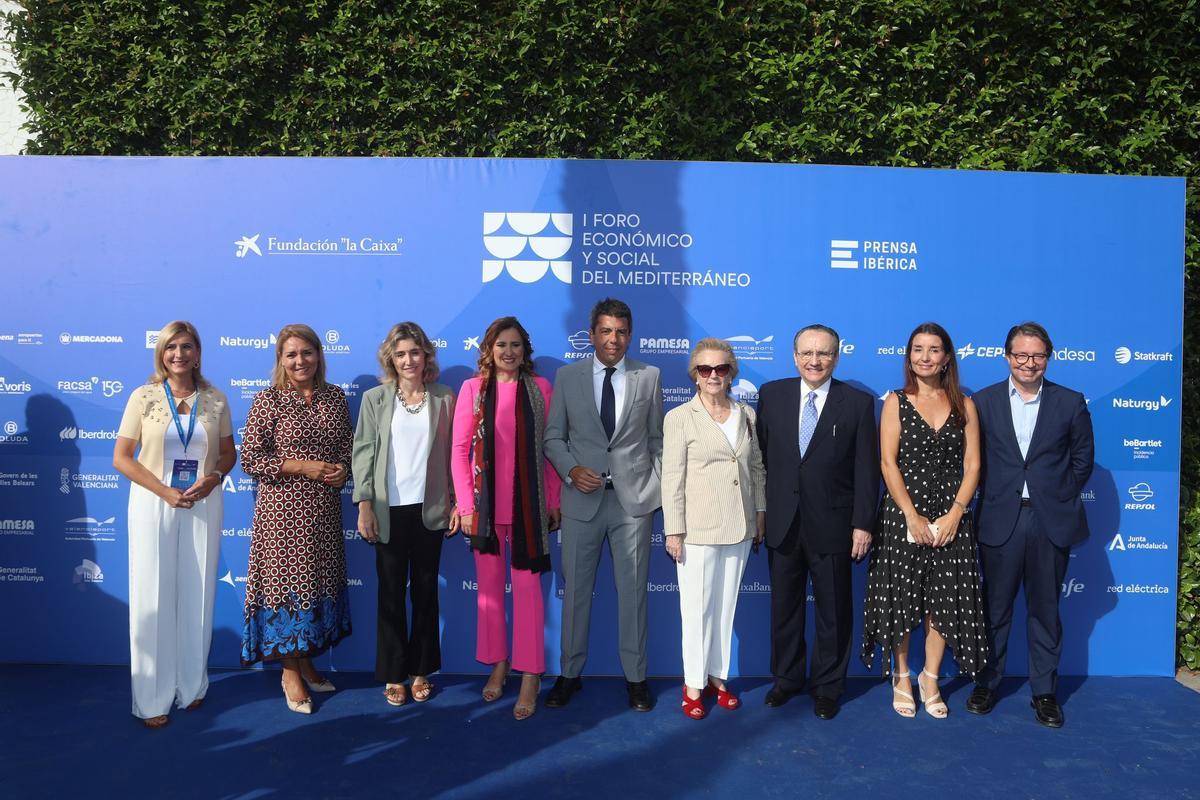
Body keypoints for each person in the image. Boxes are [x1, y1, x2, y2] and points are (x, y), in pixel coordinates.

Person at [966, 322, 1093, 728]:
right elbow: (973, 462)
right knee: (994, 608)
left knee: (1045, 610)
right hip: (999, 518)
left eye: (1037, 356)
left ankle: (1044, 692)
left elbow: (1082, 461)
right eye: (1021, 355)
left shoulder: (1070, 402)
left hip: (1048, 520)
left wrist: (1052, 496)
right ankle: (986, 682)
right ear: (1007, 357)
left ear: (1047, 358)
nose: (1029, 363)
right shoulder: (982, 402)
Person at [860, 323, 988, 718]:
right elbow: (887, 463)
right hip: (903, 517)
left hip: (953, 518)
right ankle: (901, 676)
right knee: (900, 598)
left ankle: (929, 678)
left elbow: (973, 465)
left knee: (943, 600)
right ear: (909, 356)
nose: (925, 357)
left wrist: (955, 513)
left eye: (934, 350)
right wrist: (911, 516)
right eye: (918, 349)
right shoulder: (897, 401)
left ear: (947, 357)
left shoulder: (966, 405)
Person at [544, 297, 664, 712]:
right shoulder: (567, 376)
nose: (614, 339)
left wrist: (656, 485)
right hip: (581, 502)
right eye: (606, 331)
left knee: (633, 596)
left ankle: (636, 679)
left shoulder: (650, 376)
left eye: (622, 332)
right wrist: (572, 470)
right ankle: (569, 675)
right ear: (592, 333)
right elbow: (553, 438)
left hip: (633, 505)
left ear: (630, 335)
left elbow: (656, 441)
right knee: (576, 593)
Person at [114, 320, 236, 728]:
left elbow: (227, 454)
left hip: (203, 502)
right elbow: (123, 458)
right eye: (171, 348)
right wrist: (164, 491)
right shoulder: (144, 397)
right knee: (153, 595)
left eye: (186, 347)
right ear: (161, 354)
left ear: (198, 353)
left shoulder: (216, 399)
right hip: (153, 503)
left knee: (198, 592)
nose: (179, 354)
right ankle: (151, 698)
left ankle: (192, 686)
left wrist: (213, 478)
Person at [756, 323, 878, 720]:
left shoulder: (858, 403)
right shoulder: (771, 395)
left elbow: (866, 471)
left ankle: (828, 687)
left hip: (835, 526)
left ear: (836, 357)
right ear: (794, 357)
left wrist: (863, 523)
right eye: (807, 353)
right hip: (783, 523)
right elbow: (762, 460)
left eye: (823, 353)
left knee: (834, 611)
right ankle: (786, 680)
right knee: (784, 609)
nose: (815, 360)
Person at [451, 316, 561, 720]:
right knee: (489, 594)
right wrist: (465, 506)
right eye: (502, 345)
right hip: (483, 511)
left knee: (530, 595)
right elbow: (460, 450)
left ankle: (530, 672)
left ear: (524, 350)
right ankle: (498, 663)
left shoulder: (541, 389)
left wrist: (553, 499)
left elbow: (549, 451)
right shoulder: (472, 390)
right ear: (489, 349)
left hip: (528, 510)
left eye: (515, 345)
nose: (509, 352)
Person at [240, 323, 353, 714]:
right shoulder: (268, 400)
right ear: (280, 360)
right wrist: (301, 466)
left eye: (306, 352)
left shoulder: (335, 398)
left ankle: (306, 661)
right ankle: (290, 672)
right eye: (291, 354)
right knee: (289, 588)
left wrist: (342, 469)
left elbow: (347, 449)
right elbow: (251, 459)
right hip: (282, 516)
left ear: (319, 355)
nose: (300, 360)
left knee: (315, 585)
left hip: (323, 513)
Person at [352, 322, 458, 707]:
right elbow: (363, 451)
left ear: (426, 355)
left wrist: (458, 501)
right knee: (391, 595)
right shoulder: (375, 399)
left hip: (431, 511)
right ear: (391, 360)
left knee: (426, 594)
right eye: (400, 354)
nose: (408, 360)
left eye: (415, 352)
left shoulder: (445, 397)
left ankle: (421, 671)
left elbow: (456, 456)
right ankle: (394, 673)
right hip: (387, 510)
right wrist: (364, 504)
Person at [661, 338, 765, 719]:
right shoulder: (679, 417)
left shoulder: (747, 416)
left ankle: (718, 676)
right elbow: (671, 478)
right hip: (697, 531)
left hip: (739, 526)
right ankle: (692, 683)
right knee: (696, 610)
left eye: (721, 368)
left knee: (724, 608)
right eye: (705, 369)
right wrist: (674, 530)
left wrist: (760, 513)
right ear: (695, 375)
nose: (713, 375)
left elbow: (756, 469)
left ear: (732, 372)